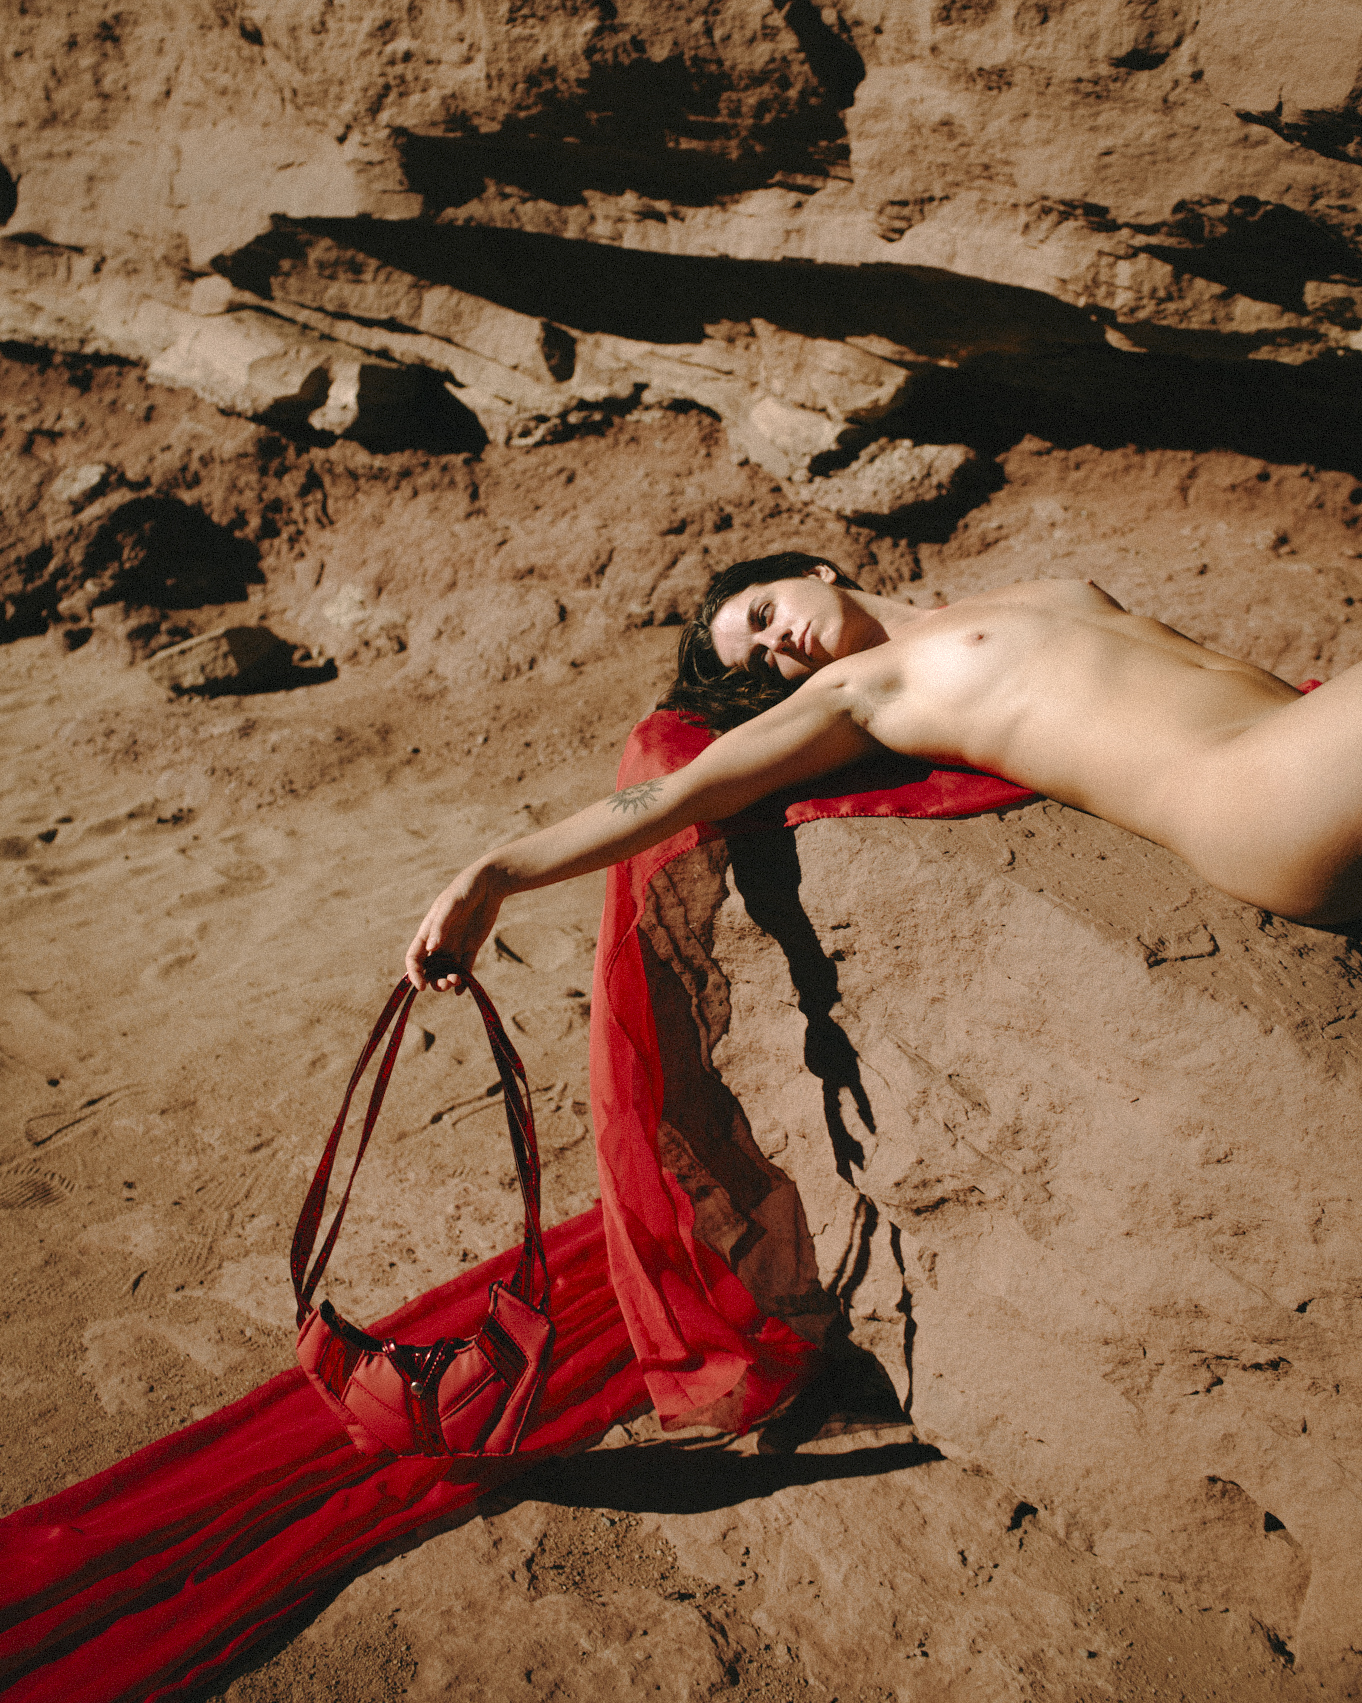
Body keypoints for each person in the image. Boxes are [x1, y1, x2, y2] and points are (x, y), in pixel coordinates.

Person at [406, 549, 1362, 990]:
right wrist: (495, 872)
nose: (778, 643)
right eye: (761, 661)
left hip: (1301, 739)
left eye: (764, 613)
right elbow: (681, 791)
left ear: (815, 569)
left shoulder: (1017, 591)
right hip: (1250, 799)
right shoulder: (858, 690)